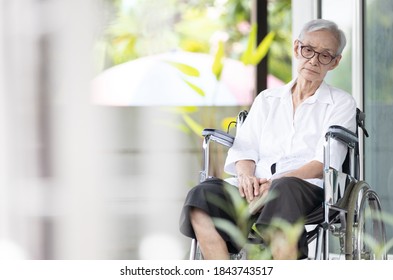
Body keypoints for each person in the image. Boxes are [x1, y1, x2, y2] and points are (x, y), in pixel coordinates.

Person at [179, 19, 357, 260]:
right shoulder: (267, 99)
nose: (314, 60)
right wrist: (246, 177)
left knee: (283, 189)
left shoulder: (341, 103)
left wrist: (274, 183)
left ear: (335, 62)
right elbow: (245, 149)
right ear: (297, 49)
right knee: (201, 196)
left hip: (305, 188)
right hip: (255, 186)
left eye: (325, 55)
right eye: (308, 50)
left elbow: (324, 163)